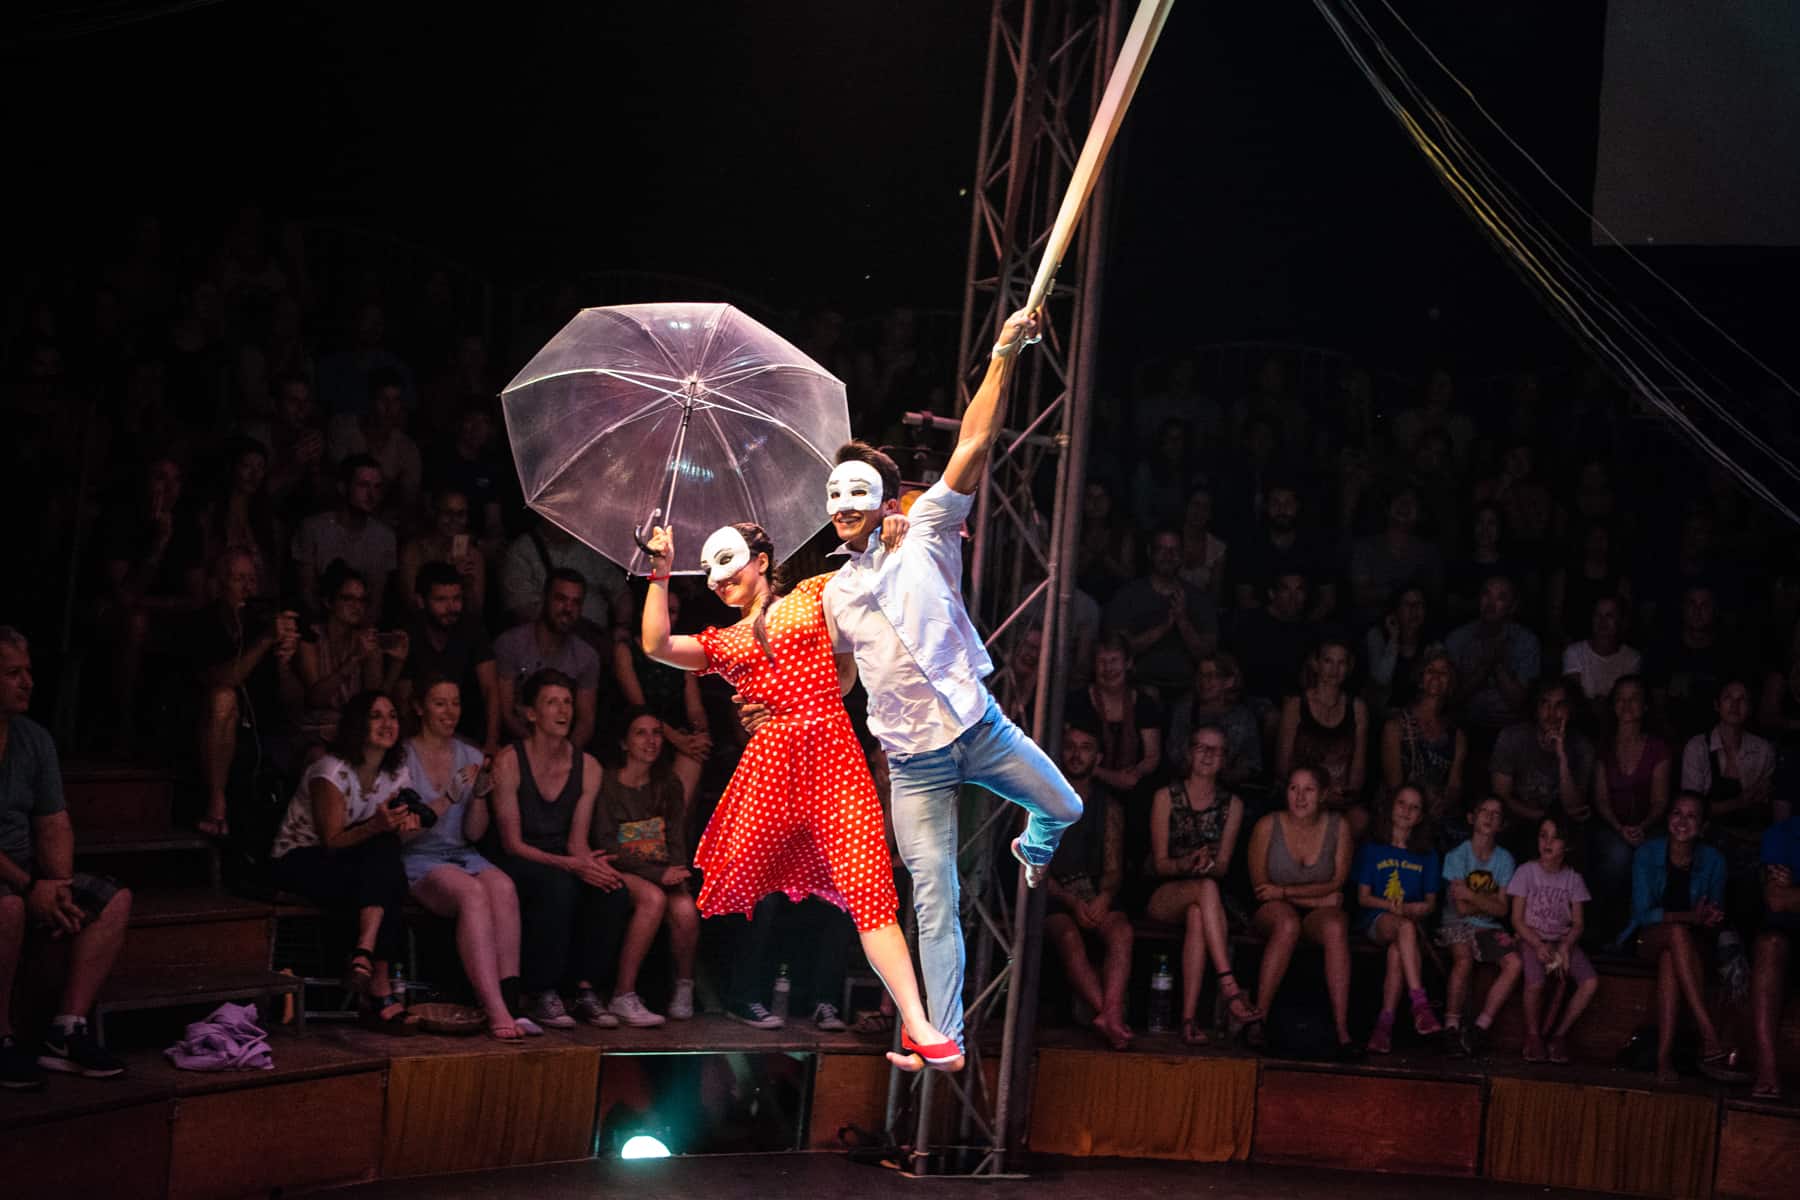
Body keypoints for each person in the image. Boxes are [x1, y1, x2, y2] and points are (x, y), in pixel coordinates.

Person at [810, 307, 1083, 1057]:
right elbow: (836, 682)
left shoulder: (927, 525)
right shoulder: (832, 595)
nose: (843, 506)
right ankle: (945, 1035)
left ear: (887, 497)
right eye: (834, 496)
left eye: (858, 492)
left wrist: (1003, 355)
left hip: (981, 729)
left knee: (1066, 805)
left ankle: (1035, 846)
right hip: (916, 768)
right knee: (936, 903)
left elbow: (975, 440)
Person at [642, 521, 963, 1071]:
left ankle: (917, 1023)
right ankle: (744, 991)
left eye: (729, 562)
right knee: (748, 884)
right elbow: (656, 644)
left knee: (870, 893)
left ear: (763, 561)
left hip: (833, 758)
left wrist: (893, 532)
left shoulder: (814, 594)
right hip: (771, 772)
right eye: (711, 571)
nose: (719, 579)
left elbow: (858, 628)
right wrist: (660, 570)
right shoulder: (726, 642)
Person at [0, 628, 132, 1088]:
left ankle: (66, 1029)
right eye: (13, 674)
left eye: (29, 672)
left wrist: (57, 889)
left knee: (112, 900)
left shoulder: (33, 739)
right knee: (9, 906)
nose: (27, 683)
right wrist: (27, 887)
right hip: (10, 883)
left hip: (26, 878)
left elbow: (54, 822)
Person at [487, 670, 636, 1030]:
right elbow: (512, 843)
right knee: (556, 886)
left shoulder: (588, 766)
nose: (563, 710)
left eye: (568, 701)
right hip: (517, 857)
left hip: (561, 855)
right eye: (552, 702)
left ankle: (584, 989)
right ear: (531, 713)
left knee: (612, 889)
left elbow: (576, 841)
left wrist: (587, 864)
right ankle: (541, 991)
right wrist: (571, 866)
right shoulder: (509, 761)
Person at [268, 690, 417, 1033]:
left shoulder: (396, 774)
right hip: (299, 858)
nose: (387, 723)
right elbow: (332, 841)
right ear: (358, 725)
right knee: (386, 868)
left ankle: (364, 958)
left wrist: (405, 824)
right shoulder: (330, 771)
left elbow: (391, 834)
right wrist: (378, 826)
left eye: (392, 715)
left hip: (359, 862)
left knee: (387, 858)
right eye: (376, 716)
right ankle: (378, 989)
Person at [401, 677, 534, 1040]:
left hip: (462, 853)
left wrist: (477, 797)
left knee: (503, 887)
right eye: (440, 703)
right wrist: (448, 796)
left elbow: (473, 834)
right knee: (472, 894)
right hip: (419, 858)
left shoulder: (471, 755)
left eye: (455, 703)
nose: (450, 712)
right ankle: (494, 1010)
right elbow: (404, 834)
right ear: (419, 707)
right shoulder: (403, 757)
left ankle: (511, 1001)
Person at [583, 709, 701, 1022]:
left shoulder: (668, 783)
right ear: (624, 742)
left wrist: (678, 871)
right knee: (653, 899)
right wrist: (658, 874)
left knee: (686, 909)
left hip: (662, 869)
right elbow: (606, 844)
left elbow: (676, 836)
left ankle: (684, 987)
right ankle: (623, 994)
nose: (651, 740)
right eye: (641, 733)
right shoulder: (607, 783)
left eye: (656, 732)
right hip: (624, 868)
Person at [1145, 725, 1253, 1045]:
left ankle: (1188, 1019)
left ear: (1224, 759)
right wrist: (1186, 863)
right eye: (1201, 748)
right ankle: (1228, 985)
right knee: (1205, 891)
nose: (1207, 756)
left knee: (1199, 909)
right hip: (1165, 892)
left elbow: (1222, 867)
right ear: (1189, 752)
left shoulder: (1232, 804)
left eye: (1215, 750)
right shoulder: (1166, 797)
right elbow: (1161, 864)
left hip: (1208, 897)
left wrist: (1207, 864)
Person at [1245, 765, 1357, 1057]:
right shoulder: (1268, 825)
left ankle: (1342, 1030)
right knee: (1287, 924)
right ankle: (1258, 1019)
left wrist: (1287, 892)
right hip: (1273, 910)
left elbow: (1336, 882)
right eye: (1293, 788)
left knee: (1335, 925)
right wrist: (1312, 900)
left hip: (1311, 911)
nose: (1300, 797)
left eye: (1308, 789)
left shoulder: (1339, 826)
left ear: (1322, 795)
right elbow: (1262, 889)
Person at [1040, 719, 1135, 1051]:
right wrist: (1071, 901)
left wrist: (1104, 898)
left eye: (1085, 748)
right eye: (1070, 747)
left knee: (1121, 930)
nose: (1076, 755)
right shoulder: (1046, 800)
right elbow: (1038, 869)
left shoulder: (1107, 806)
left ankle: (1109, 1014)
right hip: (1055, 898)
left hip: (1094, 895)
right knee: (1067, 935)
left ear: (1099, 757)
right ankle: (1109, 1016)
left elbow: (1113, 866)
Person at [195, 550, 303, 838]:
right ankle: (216, 801)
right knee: (224, 698)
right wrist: (267, 639)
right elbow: (225, 679)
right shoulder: (203, 622)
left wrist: (284, 660)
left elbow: (293, 700)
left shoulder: (260, 623)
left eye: (253, 579)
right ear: (220, 583)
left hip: (260, 733)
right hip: (210, 733)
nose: (248, 587)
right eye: (239, 578)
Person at [1628, 792, 1734, 1083]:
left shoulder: (1714, 860)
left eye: (1691, 816)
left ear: (1702, 826)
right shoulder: (1647, 854)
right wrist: (1686, 917)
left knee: (1670, 959)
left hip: (1690, 946)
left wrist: (1711, 916)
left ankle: (1664, 1060)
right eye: (1677, 813)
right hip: (1646, 939)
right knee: (1675, 933)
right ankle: (1709, 1034)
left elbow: (1713, 912)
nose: (1682, 821)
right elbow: (1642, 914)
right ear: (1668, 818)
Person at [1681, 677, 1781, 926]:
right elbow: (1692, 809)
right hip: (1708, 832)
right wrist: (1739, 802)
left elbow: (1762, 802)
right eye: (1728, 698)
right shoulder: (1698, 746)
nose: (1735, 705)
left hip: (1749, 834)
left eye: (1743, 699)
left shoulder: (1763, 749)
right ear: (1716, 705)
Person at [1354, 785, 1443, 1053]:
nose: (1406, 811)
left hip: (1409, 925)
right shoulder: (1374, 849)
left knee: (1397, 953)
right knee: (1404, 928)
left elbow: (1430, 904)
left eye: (1414, 807)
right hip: (1377, 919)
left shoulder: (1427, 855)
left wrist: (1417, 909)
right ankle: (1420, 1003)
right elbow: (1363, 898)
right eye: (1402, 803)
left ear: (1421, 816)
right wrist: (1396, 908)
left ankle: (1384, 1028)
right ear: (1391, 808)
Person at [1508, 812, 1599, 1064]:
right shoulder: (1526, 871)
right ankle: (1533, 1035)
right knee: (1535, 983)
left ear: (1567, 845)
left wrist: (1566, 947)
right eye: (1543, 836)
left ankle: (1559, 1036)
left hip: (1561, 941)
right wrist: (1537, 944)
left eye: (1555, 838)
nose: (1547, 842)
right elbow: (1516, 919)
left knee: (1589, 982)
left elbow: (1579, 923)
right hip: (1531, 938)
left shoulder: (1573, 878)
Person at [1438, 795, 1523, 1057]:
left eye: (1496, 814)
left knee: (1514, 963)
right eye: (1483, 811)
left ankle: (1480, 1027)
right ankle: (1451, 1027)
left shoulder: (1505, 860)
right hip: (1457, 923)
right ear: (1471, 818)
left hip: (1488, 927)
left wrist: (1473, 895)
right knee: (1463, 960)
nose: (1489, 816)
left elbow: (1503, 909)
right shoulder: (1457, 856)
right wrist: (1490, 901)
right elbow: (1461, 908)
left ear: (1501, 824)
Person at [613, 585, 711, 797]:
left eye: (672, 611)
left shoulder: (682, 651)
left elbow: (695, 708)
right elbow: (639, 707)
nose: (666, 616)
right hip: (638, 731)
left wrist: (699, 734)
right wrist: (679, 740)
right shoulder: (625, 650)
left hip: (677, 733)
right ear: (645, 611)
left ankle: (673, 827)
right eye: (662, 608)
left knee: (694, 758)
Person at [295, 562, 406, 748]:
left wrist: (397, 663)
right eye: (348, 599)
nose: (357, 606)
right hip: (315, 729)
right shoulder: (311, 638)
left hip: (354, 729)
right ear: (328, 601)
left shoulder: (366, 640)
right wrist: (354, 659)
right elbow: (315, 698)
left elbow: (374, 701)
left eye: (362, 600)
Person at [397, 562, 498, 758]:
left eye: (456, 599)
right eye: (441, 600)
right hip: (419, 736)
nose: (451, 607)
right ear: (421, 601)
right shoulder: (409, 634)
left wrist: (491, 743)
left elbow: (490, 688)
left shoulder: (472, 628)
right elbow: (402, 699)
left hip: (469, 731)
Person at [494, 568, 601, 752]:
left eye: (575, 602)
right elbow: (506, 712)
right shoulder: (510, 644)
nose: (568, 608)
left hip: (564, 752)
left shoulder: (587, 657)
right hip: (516, 747)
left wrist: (565, 753)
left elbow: (586, 721)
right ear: (545, 599)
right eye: (561, 599)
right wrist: (539, 748)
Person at [1102, 529, 1218, 695]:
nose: (1168, 555)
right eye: (1162, 549)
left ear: (1182, 555)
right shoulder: (1127, 596)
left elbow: (1207, 654)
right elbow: (1119, 651)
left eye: (1174, 550)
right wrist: (1164, 627)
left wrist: (1182, 621)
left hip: (1189, 689)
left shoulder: (1198, 599)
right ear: (1150, 552)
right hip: (1138, 687)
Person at [1275, 637, 1369, 836]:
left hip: (1339, 797)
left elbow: (1358, 768)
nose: (1334, 669)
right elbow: (1283, 765)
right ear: (1315, 664)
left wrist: (1345, 794)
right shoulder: (1295, 705)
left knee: (1359, 819)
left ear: (1348, 667)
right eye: (1328, 661)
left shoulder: (1357, 708)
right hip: (1300, 794)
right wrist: (1318, 796)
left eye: (1341, 662)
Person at [1491, 679, 1594, 859]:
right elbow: (1501, 795)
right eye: (1545, 704)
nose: (1551, 713)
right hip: (1518, 819)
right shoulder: (1512, 737)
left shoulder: (1582, 746)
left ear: (1570, 709)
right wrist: (1540, 817)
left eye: (1559, 705)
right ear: (1535, 708)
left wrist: (1562, 755)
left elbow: (1574, 807)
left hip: (1561, 828)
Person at [290, 454, 398, 621]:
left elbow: (375, 602)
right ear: (343, 487)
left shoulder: (384, 537)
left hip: (361, 631)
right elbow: (307, 594)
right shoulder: (313, 529)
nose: (372, 494)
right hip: (319, 627)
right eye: (363, 485)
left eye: (377, 487)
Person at [1381, 649, 1468, 851]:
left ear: (1451, 683)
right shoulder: (1397, 726)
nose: (1436, 676)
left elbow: (1455, 784)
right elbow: (1394, 783)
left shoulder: (1456, 734)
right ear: (1420, 679)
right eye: (1430, 670)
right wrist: (1422, 805)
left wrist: (1442, 803)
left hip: (1439, 811)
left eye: (1443, 672)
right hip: (1403, 810)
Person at [1445, 574, 1541, 743]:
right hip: (1466, 727)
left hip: (1512, 729)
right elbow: (1451, 698)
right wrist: (1485, 666)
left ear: (1512, 606)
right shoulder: (1458, 638)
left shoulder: (1526, 641)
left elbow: (1519, 701)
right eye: (1486, 594)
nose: (1490, 603)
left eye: (1501, 598)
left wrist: (1497, 665)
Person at [1751, 812, 1800, 1099]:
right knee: (1768, 945)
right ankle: (1767, 1067)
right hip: (1788, 940)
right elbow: (1777, 899)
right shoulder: (1782, 834)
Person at [1165, 652, 1262, 791]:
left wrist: (1226, 776)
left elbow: (1252, 763)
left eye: (1211, 676)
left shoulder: (1243, 718)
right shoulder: (1185, 709)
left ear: (1229, 681)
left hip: (1228, 790)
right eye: (1201, 675)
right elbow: (1174, 754)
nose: (1204, 681)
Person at [398, 487, 487, 619]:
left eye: (460, 514)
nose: (454, 520)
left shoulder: (473, 555)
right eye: (448, 513)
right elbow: (412, 605)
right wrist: (449, 571)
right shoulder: (413, 551)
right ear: (434, 513)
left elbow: (476, 612)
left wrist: (467, 582)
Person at [1561, 595, 1640, 724]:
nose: (1602, 622)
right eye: (1598, 615)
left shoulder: (1632, 658)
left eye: (1609, 616)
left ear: (1620, 620)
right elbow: (1572, 697)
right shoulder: (1574, 652)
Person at [1365, 584, 1431, 717]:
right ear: (1395, 609)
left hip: (1417, 716)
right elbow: (1381, 679)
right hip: (1382, 715)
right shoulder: (1377, 635)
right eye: (1408, 604)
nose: (1414, 610)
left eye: (1419, 604)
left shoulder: (1432, 643)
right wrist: (1393, 639)